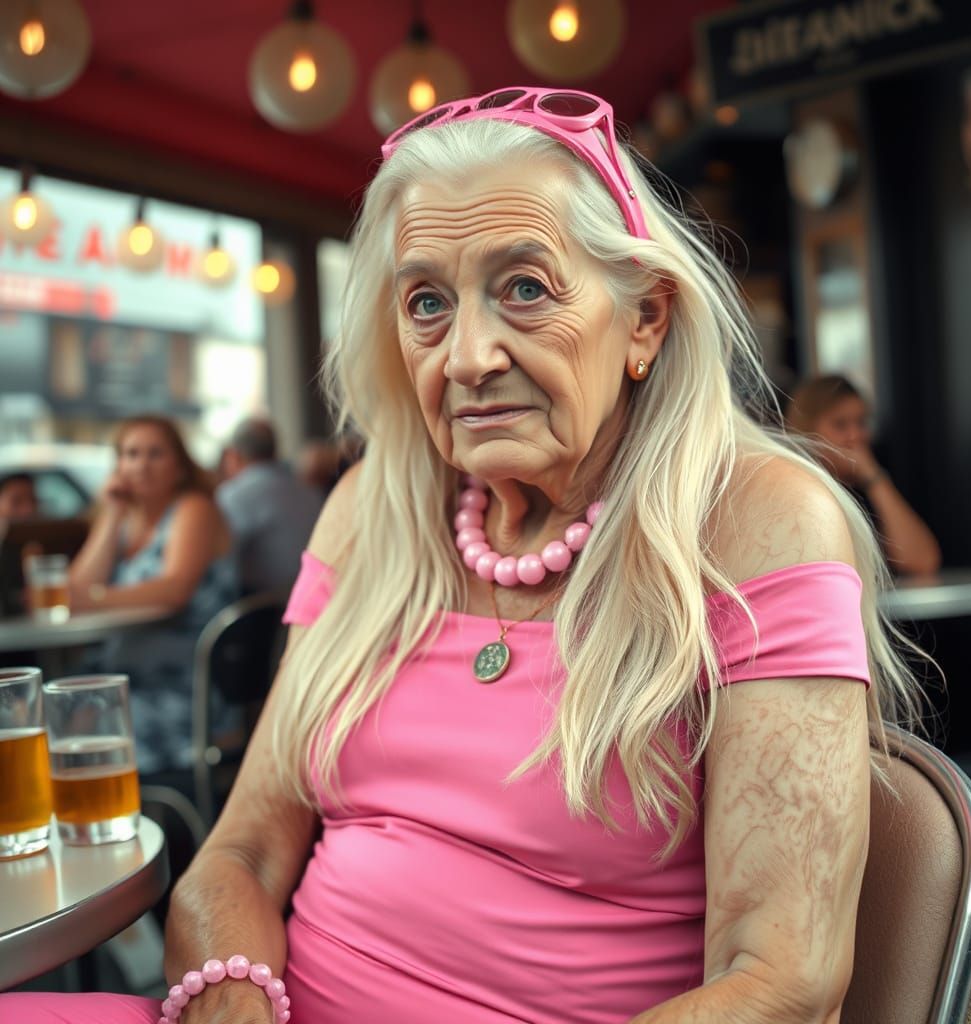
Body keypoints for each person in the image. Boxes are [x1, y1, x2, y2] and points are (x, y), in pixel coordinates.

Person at [3, 87, 921, 1024]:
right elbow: (239, 854)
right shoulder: (373, 508)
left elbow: (783, 982)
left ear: (644, 317)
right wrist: (230, 1000)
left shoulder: (759, 521)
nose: (469, 356)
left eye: (525, 288)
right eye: (428, 303)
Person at [66, 415, 238, 774]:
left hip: (186, 685)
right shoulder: (125, 522)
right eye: (131, 454)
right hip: (123, 677)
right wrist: (112, 514)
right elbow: (75, 591)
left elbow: (175, 589)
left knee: (68, 733)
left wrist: (94, 599)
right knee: (48, 715)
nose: (141, 465)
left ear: (180, 466)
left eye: (155, 454)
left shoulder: (194, 508)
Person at [785, 374, 942, 576]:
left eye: (861, 423)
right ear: (807, 430)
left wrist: (873, 476)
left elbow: (922, 561)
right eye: (840, 424)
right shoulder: (796, 491)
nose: (856, 435)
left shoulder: (865, 489)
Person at [217, 418, 322, 594]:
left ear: (234, 456)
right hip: (314, 595)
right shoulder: (308, 489)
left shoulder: (233, 495)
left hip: (262, 603)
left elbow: (219, 560)